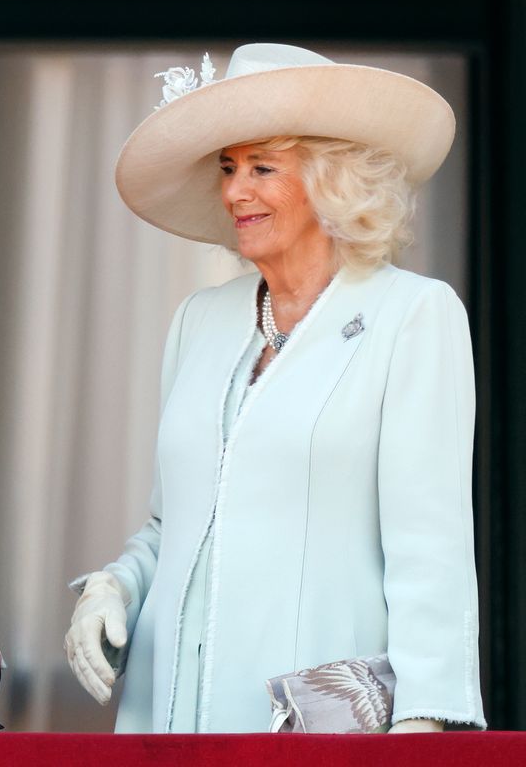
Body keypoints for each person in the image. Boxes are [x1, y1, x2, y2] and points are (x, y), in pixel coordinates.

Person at [64, 43, 486, 733]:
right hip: (169, 722)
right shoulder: (201, 320)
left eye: (263, 167)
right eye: (229, 168)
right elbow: (174, 525)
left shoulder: (410, 315)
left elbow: (430, 551)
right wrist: (117, 584)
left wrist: (422, 729)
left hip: (321, 731)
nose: (235, 191)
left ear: (331, 180)